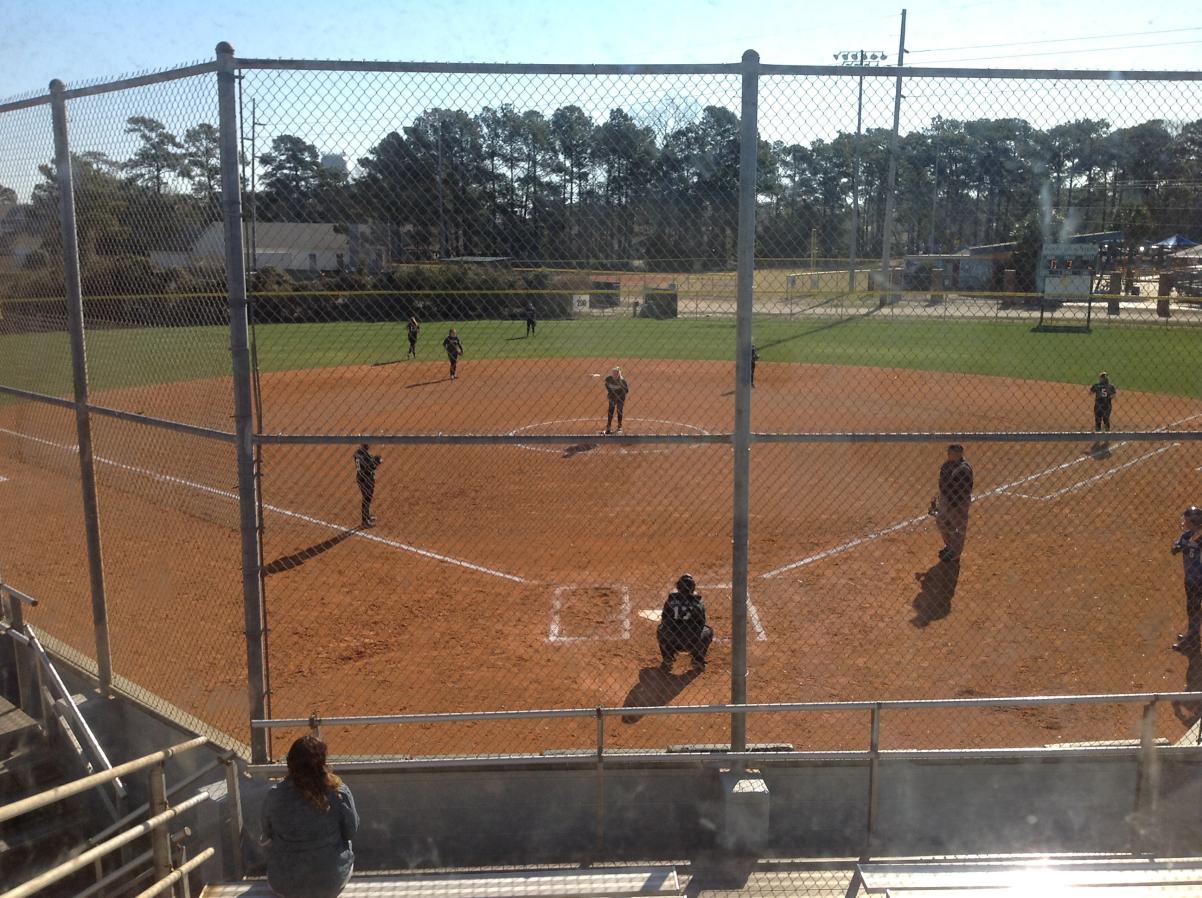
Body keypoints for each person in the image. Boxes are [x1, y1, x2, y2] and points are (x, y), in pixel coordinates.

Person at [260, 735, 359, 898]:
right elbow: (351, 831)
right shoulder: (339, 792)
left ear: (289, 762)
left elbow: (267, 832)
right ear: (323, 763)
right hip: (329, 885)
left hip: (285, 886)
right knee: (346, 840)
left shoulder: (275, 794)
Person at [656, 573, 713, 670]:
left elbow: (664, 619)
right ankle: (697, 659)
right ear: (693, 588)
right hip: (692, 642)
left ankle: (668, 657)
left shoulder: (671, 600)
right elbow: (702, 622)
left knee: (660, 629)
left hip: (673, 641)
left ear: (678, 587)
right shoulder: (698, 602)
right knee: (708, 631)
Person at [928, 443, 973, 564]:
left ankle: (955, 554)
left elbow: (964, 490)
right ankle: (950, 547)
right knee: (942, 522)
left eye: (953, 453)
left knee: (957, 528)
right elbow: (942, 484)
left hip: (958, 502)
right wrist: (938, 500)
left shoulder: (964, 469)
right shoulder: (946, 465)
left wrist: (954, 505)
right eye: (949, 453)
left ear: (959, 454)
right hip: (946, 499)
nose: (950, 455)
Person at [1171, 506, 1202, 653]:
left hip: (1199, 581)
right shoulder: (1186, 536)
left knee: (1194, 609)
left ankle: (1193, 639)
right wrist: (1179, 546)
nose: (1184, 522)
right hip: (1191, 581)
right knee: (1192, 609)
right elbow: (1174, 548)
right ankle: (1192, 635)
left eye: (1188, 520)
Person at [354, 444, 381, 528]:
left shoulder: (358, 453)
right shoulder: (364, 455)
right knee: (367, 499)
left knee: (367, 498)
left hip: (363, 478)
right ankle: (365, 521)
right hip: (365, 480)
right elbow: (368, 467)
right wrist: (376, 462)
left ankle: (367, 516)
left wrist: (374, 460)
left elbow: (368, 461)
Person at [603, 366, 628, 434]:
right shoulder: (609, 379)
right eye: (614, 372)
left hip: (620, 398)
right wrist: (610, 392)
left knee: (619, 411)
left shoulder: (622, 381)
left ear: (619, 373)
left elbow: (626, 391)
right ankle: (609, 427)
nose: (615, 374)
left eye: (616, 372)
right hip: (612, 397)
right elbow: (606, 384)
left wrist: (618, 396)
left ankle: (619, 427)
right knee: (611, 410)